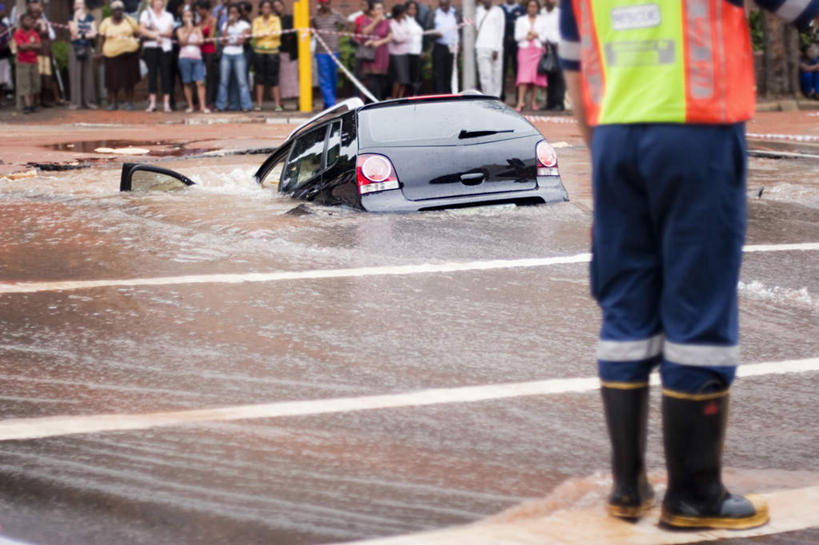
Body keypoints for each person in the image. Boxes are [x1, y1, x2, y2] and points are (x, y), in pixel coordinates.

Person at [559, 0, 819, 531]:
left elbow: (575, 72)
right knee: (699, 305)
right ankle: (695, 494)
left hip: (613, 138)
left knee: (626, 309)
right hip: (697, 132)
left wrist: (605, 160)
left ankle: (628, 487)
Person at [98, 0, 140, 110]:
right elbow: (101, 38)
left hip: (129, 55)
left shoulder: (130, 21)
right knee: (113, 81)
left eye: (120, 9)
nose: (118, 11)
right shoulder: (106, 22)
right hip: (111, 56)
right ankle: (114, 102)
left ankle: (129, 102)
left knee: (129, 81)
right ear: (112, 11)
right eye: (116, 9)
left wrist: (138, 46)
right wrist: (100, 52)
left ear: (123, 10)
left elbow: (138, 34)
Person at [140, 0, 175, 111]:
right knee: (152, 74)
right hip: (151, 47)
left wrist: (159, 34)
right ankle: (152, 103)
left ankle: (166, 104)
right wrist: (154, 36)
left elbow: (170, 32)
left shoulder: (168, 15)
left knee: (166, 74)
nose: (159, 3)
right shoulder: (146, 14)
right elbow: (142, 29)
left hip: (165, 47)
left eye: (161, 1)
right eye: (157, 1)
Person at [216, 3, 251, 111]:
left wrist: (231, 41)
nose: (232, 15)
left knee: (242, 81)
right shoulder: (225, 24)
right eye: (230, 13)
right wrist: (228, 26)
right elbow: (223, 40)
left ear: (239, 14)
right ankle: (220, 105)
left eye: (234, 12)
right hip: (226, 54)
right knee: (223, 81)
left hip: (239, 54)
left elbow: (242, 40)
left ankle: (246, 105)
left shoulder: (244, 24)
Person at [311, 0, 347, 108]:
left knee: (333, 78)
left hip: (334, 50)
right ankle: (331, 104)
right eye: (325, 3)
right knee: (324, 78)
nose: (327, 5)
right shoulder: (315, 17)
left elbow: (346, 23)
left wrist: (340, 34)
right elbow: (312, 28)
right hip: (321, 51)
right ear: (320, 4)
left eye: (328, 3)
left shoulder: (335, 14)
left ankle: (328, 102)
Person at [28, 0, 62, 107]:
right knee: (37, 75)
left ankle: (48, 99)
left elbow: (51, 35)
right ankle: (37, 100)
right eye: (33, 11)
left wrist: (43, 27)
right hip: (35, 52)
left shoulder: (44, 21)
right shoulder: (28, 22)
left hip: (46, 51)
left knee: (48, 74)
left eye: (37, 11)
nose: (35, 13)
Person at [513, 0, 546, 110]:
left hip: (537, 50)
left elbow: (545, 37)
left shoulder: (542, 20)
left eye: (534, 6)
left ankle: (533, 102)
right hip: (524, 50)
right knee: (523, 76)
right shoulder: (521, 20)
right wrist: (527, 36)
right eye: (530, 6)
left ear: (538, 8)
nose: (532, 8)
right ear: (527, 8)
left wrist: (536, 35)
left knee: (535, 77)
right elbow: (517, 37)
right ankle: (520, 102)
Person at [67, 0, 98, 110]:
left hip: (87, 47)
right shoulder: (71, 17)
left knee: (88, 74)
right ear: (74, 6)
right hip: (75, 48)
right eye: (77, 3)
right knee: (75, 74)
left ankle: (89, 102)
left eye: (80, 3)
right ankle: (76, 103)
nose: (78, 6)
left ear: (84, 5)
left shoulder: (90, 18)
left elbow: (93, 33)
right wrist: (76, 18)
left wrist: (82, 36)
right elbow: (74, 33)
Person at [252, 0, 281, 110]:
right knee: (259, 78)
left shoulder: (276, 19)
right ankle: (259, 104)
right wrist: (268, 33)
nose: (266, 10)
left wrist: (262, 34)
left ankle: (277, 104)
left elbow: (277, 33)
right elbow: (255, 34)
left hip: (273, 52)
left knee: (274, 78)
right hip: (259, 52)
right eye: (264, 7)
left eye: (268, 7)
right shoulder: (256, 20)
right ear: (260, 9)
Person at [177, 8, 208, 112]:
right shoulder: (180, 30)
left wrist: (190, 41)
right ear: (182, 18)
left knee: (200, 82)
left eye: (190, 16)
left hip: (197, 58)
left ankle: (202, 106)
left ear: (193, 18)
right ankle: (190, 106)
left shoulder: (198, 29)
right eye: (186, 16)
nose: (188, 18)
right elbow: (182, 42)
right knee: (187, 82)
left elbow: (201, 41)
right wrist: (190, 31)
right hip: (184, 58)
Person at [359, 0, 392, 100]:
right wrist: (376, 21)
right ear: (372, 11)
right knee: (372, 83)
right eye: (378, 9)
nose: (381, 11)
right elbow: (364, 32)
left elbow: (390, 36)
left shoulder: (386, 22)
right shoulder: (366, 21)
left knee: (382, 82)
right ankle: (372, 103)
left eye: (382, 9)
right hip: (370, 56)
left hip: (382, 54)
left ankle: (380, 102)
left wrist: (379, 42)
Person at [427, 0, 458, 93]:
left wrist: (459, 44)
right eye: (442, 5)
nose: (443, 7)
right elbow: (428, 30)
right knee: (438, 72)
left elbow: (460, 30)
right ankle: (439, 93)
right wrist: (435, 34)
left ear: (449, 4)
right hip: (439, 46)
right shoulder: (434, 14)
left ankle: (449, 93)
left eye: (445, 5)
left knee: (449, 71)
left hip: (451, 47)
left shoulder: (455, 13)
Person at [475, 0, 504, 97]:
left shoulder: (498, 11)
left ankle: (496, 98)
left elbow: (501, 30)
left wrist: (496, 48)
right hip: (481, 46)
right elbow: (476, 27)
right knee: (485, 75)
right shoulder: (478, 10)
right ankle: (487, 97)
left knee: (496, 75)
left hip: (495, 48)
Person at [13, 12, 40, 113]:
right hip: (23, 62)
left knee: (34, 83)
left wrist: (27, 45)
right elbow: (21, 47)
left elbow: (39, 46)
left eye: (30, 20)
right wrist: (32, 45)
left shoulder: (34, 33)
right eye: (27, 20)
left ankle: (32, 105)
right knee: (25, 84)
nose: (30, 22)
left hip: (34, 61)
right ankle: (27, 105)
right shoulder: (18, 33)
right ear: (22, 22)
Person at [273, 0, 298, 104]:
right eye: (275, 6)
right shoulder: (274, 20)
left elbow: (294, 32)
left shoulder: (290, 18)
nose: (278, 8)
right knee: (281, 77)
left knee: (294, 77)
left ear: (283, 6)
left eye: (279, 5)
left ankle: (298, 101)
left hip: (292, 51)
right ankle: (281, 101)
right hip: (279, 50)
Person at [539, 0, 562, 109]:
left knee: (559, 76)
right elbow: (540, 29)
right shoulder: (541, 13)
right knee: (548, 75)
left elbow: (561, 30)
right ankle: (550, 103)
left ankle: (559, 103)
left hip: (558, 46)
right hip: (545, 46)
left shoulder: (559, 13)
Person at [196, 0, 218, 110]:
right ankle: (200, 101)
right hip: (199, 51)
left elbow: (210, 36)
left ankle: (209, 101)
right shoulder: (199, 21)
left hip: (209, 51)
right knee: (199, 77)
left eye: (199, 10)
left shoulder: (212, 20)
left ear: (205, 9)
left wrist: (199, 36)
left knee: (210, 76)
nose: (198, 12)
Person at [500, 0, 523, 102]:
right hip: (502, 43)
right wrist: (513, 22)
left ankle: (519, 99)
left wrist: (507, 22)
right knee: (502, 70)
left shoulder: (521, 10)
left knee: (517, 70)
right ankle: (501, 97)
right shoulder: (500, 9)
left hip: (517, 44)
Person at [388, 4, 410, 98]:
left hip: (404, 53)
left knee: (404, 79)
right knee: (397, 78)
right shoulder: (391, 23)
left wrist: (404, 37)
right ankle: (394, 97)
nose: (405, 14)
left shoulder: (404, 22)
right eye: (404, 12)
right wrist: (404, 36)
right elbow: (396, 39)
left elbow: (409, 34)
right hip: (395, 54)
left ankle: (400, 97)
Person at [404, 0, 424, 96]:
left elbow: (423, 36)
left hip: (417, 52)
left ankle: (414, 94)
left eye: (414, 8)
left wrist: (423, 50)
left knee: (416, 75)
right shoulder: (404, 20)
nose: (412, 10)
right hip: (407, 52)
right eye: (410, 8)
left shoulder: (418, 21)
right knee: (407, 76)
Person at [0, 9, 14, 108]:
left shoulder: (5, 26)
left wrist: (8, 44)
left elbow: (8, 38)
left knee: (3, 81)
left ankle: (1, 100)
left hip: (3, 56)